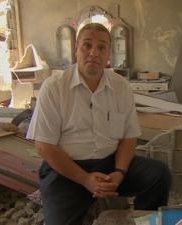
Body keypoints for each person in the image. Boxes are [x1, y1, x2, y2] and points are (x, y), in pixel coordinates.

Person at [26, 22, 171, 225]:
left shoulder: (121, 87)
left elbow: (129, 137)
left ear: (109, 54)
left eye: (101, 47)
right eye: (87, 45)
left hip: (110, 165)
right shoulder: (54, 88)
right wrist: (85, 179)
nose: (94, 52)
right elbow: (44, 146)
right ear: (76, 48)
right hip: (67, 171)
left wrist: (119, 173)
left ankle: (144, 221)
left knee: (158, 175)